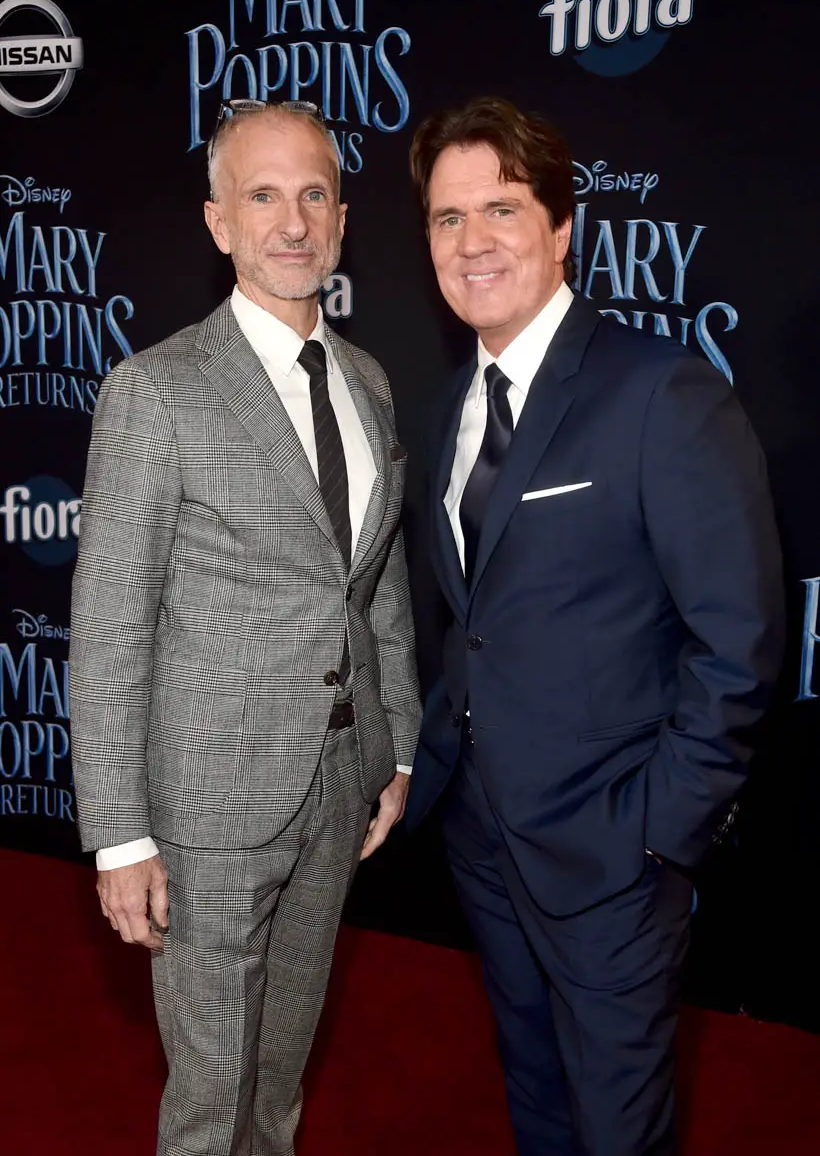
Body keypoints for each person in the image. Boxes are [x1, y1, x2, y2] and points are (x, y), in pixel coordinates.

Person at [403, 96, 785, 1155]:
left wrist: (659, 830)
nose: (473, 242)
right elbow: (474, 625)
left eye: (502, 209)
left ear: (563, 227)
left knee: (619, 1130)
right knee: (535, 1096)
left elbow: (739, 641)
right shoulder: (449, 408)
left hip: (614, 853)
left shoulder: (661, 393)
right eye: (447, 217)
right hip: (482, 841)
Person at [69, 99, 421, 1156]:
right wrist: (120, 835)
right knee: (209, 1100)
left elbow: (379, 586)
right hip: (208, 807)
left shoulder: (368, 382)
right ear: (219, 222)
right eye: (263, 196)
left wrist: (397, 747)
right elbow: (110, 625)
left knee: (276, 1082)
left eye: (314, 194)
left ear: (343, 218)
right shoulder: (156, 390)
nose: (293, 222)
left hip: (341, 785)